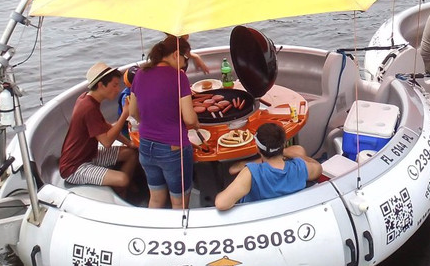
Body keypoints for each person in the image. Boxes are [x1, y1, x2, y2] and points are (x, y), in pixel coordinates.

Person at [129, 35, 203, 210]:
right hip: (173, 150)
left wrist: (153, 121)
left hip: (146, 146)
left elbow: (133, 112)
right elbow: (190, 119)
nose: (185, 64)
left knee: (155, 199)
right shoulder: (179, 77)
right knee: (179, 203)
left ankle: (151, 235)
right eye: (185, 58)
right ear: (176, 54)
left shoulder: (140, 74)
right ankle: (180, 236)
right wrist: (196, 124)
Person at [59, 62, 138, 197]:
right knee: (122, 179)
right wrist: (124, 114)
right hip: (74, 167)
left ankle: (122, 190)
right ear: (101, 85)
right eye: (114, 85)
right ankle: (120, 192)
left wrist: (129, 143)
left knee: (131, 154)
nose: (118, 89)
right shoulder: (88, 107)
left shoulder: (87, 99)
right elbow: (106, 141)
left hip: (90, 155)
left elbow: (105, 126)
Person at [215, 122, 322, 211]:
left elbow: (221, 203)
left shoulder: (252, 173)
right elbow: (318, 167)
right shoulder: (299, 167)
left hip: (260, 220)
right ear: (283, 144)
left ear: (258, 148)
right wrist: (287, 152)